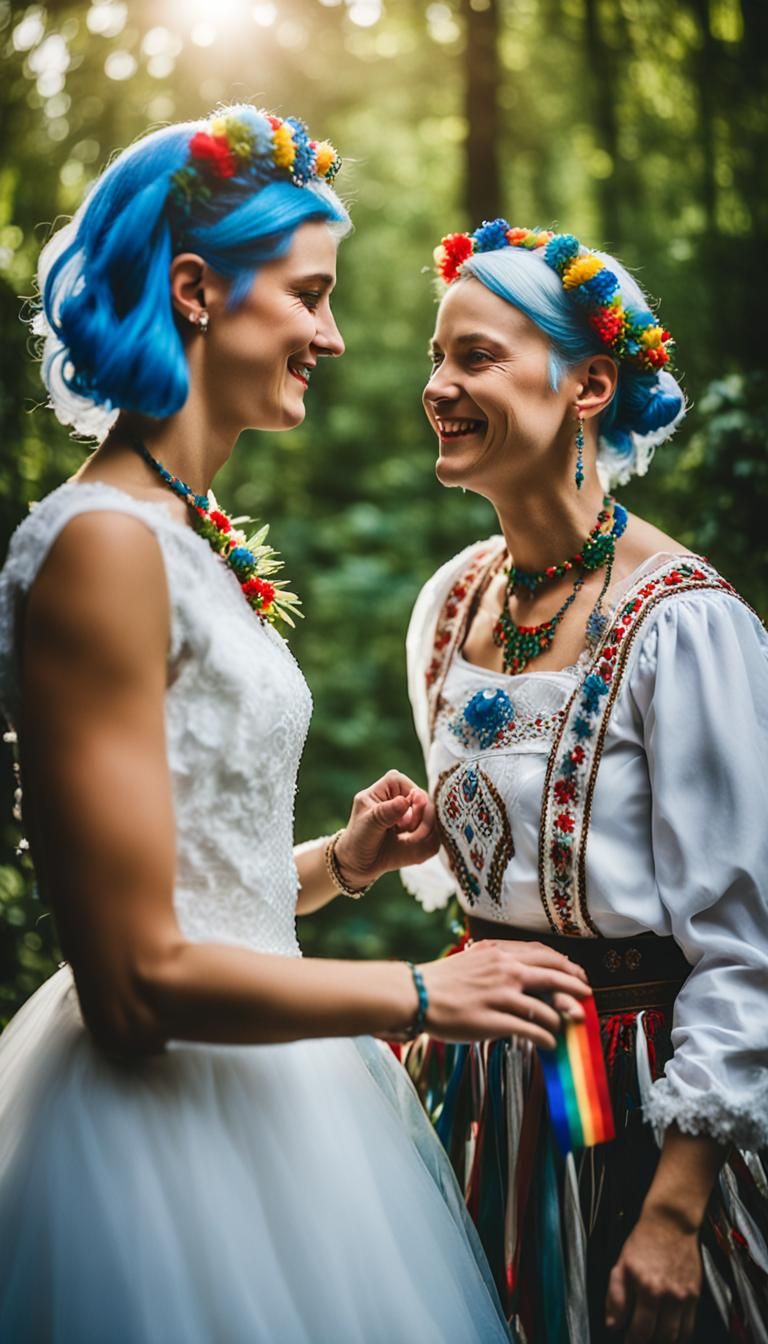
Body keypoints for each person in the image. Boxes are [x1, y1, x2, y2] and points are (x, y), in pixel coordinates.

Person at [0, 117, 593, 1343]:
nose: (330, 335)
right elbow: (130, 983)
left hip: (271, 1080)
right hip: (154, 1142)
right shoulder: (100, 546)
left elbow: (191, 890)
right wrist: (423, 991)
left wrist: (335, 865)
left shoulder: (188, 527)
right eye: (310, 297)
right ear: (196, 291)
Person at [401, 220, 768, 1343]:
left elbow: (749, 944)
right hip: (472, 1082)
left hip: (634, 1100)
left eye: (477, 358)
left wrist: (673, 1207)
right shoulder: (452, 601)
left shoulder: (687, 626)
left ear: (590, 383)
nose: (439, 386)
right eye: (436, 356)